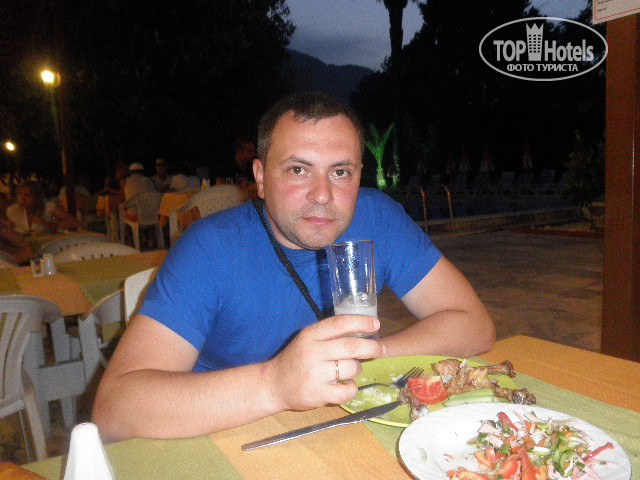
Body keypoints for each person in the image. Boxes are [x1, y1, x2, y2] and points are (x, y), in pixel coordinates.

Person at [93, 92, 494, 441]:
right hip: (223, 437)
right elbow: (114, 409)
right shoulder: (211, 248)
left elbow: (474, 325)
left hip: (340, 436)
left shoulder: (379, 219)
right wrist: (274, 385)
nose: (322, 195)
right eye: (298, 170)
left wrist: (365, 355)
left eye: (340, 172)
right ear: (261, 177)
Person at [5, 180, 80, 234]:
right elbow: (10, 231)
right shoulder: (13, 210)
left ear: (37, 197)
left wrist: (47, 224)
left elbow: (75, 222)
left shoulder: (47, 206)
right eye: (20, 194)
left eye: (28, 195)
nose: (22, 199)